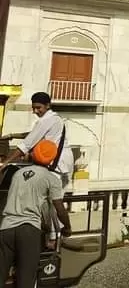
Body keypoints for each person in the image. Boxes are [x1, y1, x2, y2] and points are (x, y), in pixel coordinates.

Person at [0, 92, 74, 246]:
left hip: (57, 165)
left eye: (38, 108)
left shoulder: (47, 120)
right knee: (50, 201)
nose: (35, 111)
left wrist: (5, 163)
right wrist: (13, 135)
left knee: (53, 202)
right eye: (33, 108)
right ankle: (53, 235)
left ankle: (54, 238)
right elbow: (33, 135)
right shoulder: (51, 119)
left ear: (48, 105)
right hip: (58, 164)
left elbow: (27, 144)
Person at [0, 140, 71, 288]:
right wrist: (67, 227)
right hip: (28, 230)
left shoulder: (17, 174)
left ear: (34, 154)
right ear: (52, 159)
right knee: (26, 278)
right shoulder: (51, 179)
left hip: (6, 227)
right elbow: (59, 208)